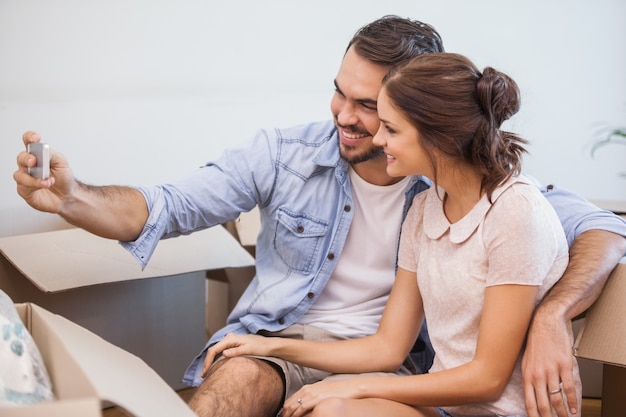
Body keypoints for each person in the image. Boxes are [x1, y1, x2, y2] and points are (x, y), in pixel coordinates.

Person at [12, 15, 626, 417]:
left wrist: (552, 314)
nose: (346, 118)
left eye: (373, 110)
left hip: (411, 369)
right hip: (297, 342)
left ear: (417, 114)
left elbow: (604, 228)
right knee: (236, 382)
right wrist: (71, 197)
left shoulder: (472, 192)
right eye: (340, 91)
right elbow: (172, 206)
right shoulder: (293, 157)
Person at [203, 51, 574, 417]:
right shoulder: (423, 210)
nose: (378, 140)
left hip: (504, 412)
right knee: (326, 407)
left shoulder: (514, 212)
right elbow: (386, 349)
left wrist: (355, 385)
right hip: (447, 409)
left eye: (391, 129)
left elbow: (488, 378)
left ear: (438, 138)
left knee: (333, 409)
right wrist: (270, 348)